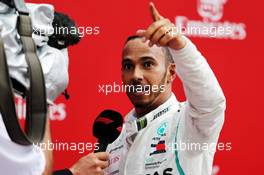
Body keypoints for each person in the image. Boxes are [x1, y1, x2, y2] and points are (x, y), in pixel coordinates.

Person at [104, 2, 226, 175]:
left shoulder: (190, 123)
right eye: (128, 66)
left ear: (171, 72)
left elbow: (212, 103)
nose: (136, 75)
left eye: (147, 64)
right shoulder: (113, 142)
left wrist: (180, 46)